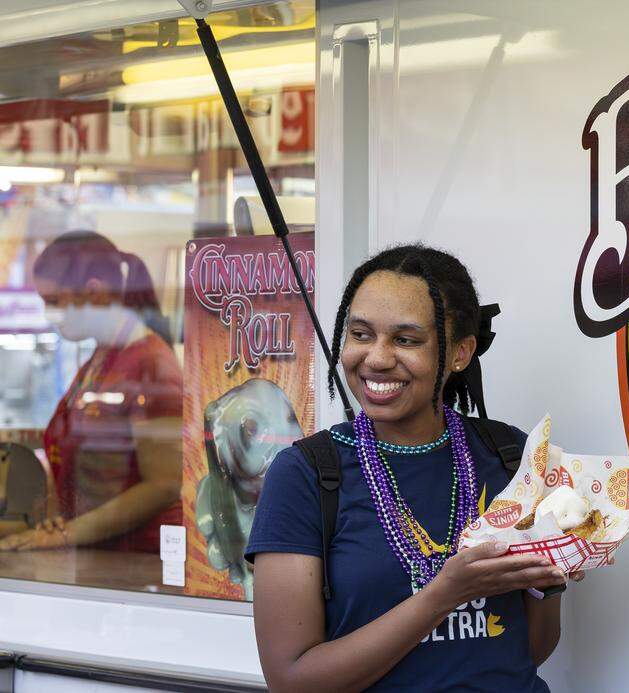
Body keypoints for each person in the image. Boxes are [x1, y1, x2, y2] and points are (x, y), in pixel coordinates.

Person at [246, 245, 573, 692]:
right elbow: (292, 680)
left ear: (460, 352)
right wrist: (443, 596)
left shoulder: (512, 455)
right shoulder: (306, 474)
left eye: (405, 340)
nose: (377, 358)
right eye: (360, 334)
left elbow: (529, 648)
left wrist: (550, 579)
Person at [0, 231, 182, 553]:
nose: (48, 314)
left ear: (94, 292)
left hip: (139, 561)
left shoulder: (150, 364)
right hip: (98, 553)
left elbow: (163, 484)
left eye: (54, 302)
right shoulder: (101, 359)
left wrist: (66, 535)